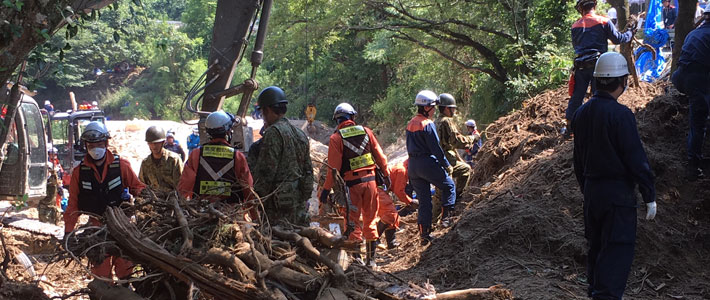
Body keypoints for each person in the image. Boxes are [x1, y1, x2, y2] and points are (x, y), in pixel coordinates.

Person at [572, 52, 657, 300]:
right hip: (617, 196)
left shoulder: (581, 114)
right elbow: (636, 159)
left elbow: (578, 160)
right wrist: (648, 193)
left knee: (597, 249)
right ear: (622, 81)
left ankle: (595, 293)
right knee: (616, 252)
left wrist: (586, 189)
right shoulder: (621, 115)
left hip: (592, 192)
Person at [64, 121, 145, 283]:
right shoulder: (79, 172)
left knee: (125, 269)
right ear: (85, 145)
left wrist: (149, 205)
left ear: (106, 143)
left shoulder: (121, 165)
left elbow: (138, 188)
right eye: (91, 145)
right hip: (96, 228)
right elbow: (73, 204)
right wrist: (68, 232)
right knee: (101, 273)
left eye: (99, 143)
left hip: (122, 225)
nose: (96, 148)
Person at [320, 102, 389, 267]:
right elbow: (381, 157)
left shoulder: (336, 138)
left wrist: (325, 190)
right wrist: (386, 175)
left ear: (337, 120)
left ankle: (357, 260)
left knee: (352, 222)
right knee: (371, 220)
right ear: (352, 117)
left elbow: (333, 169)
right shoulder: (367, 132)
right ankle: (371, 261)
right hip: (371, 183)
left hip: (351, 187)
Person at [566, 0, 634, 136]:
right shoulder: (603, 21)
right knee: (600, 97)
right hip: (599, 66)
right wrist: (630, 33)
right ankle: (598, 126)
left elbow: (576, 46)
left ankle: (570, 127)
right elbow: (617, 39)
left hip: (580, 66)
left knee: (576, 97)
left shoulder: (575, 26)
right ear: (595, 6)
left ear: (581, 9)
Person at [248, 86, 313, 225]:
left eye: (263, 112)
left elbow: (266, 172)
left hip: (277, 209)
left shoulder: (273, 133)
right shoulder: (300, 134)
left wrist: (257, 200)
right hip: (299, 205)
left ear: (267, 110)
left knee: (278, 244)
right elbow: (308, 170)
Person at [405, 90, 456, 245]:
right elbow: (436, 148)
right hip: (426, 163)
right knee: (449, 185)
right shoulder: (428, 124)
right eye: (433, 107)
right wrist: (446, 165)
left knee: (424, 201)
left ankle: (424, 235)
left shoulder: (411, 123)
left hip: (413, 166)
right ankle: (446, 219)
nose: (435, 110)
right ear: (426, 108)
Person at [178, 111, 253, 203]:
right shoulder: (237, 156)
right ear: (228, 131)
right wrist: (253, 215)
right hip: (230, 212)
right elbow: (248, 189)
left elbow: (184, 187)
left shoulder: (196, 154)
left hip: (201, 210)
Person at [671, 5, 710, 180]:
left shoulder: (694, 32)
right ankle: (693, 167)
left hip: (680, 78)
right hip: (696, 80)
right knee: (698, 122)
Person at [432, 93, 480, 227]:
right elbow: (456, 140)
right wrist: (473, 138)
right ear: (446, 108)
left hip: (439, 158)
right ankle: (456, 202)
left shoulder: (435, 122)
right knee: (463, 172)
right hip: (446, 160)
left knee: (439, 192)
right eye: (452, 108)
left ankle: (430, 225)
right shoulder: (446, 121)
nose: (454, 111)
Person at [375, 160, 416, 249]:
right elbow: (399, 191)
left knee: (393, 216)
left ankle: (391, 243)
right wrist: (411, 202)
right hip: (377, 189)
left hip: (379, 189)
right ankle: (374, 239)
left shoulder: (401, 168)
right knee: (390, 213)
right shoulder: (402, 171)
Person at [139, 126, 183, 193]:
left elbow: (181, 185)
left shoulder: (173, 160)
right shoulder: (145, 163)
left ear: (163, 142)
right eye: (151, 143)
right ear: (148, 143)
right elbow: (142, 185)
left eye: (156, 143)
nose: (154, 146)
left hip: (172, 199)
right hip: (153, 200)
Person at [39, 147, 61, 224]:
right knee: (46, 206)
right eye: (52, 154)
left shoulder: (55, 164)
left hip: (53, 190)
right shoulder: (47, 164)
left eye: (55, 154)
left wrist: (59, 186)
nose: (54, 156)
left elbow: (57, 178)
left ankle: (54, 220)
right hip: (47, 190)